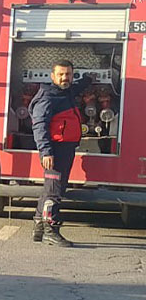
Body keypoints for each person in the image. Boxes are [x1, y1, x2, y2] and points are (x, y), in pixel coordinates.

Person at [29, 60, 92, 247]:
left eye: (69, 74)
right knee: (54, 192)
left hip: (65, 149)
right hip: (55, 151)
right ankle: (51, 229)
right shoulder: (48, 97)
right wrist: (46, 152)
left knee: (51, 188)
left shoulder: (65, 92)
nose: (65, 78)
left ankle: (39, 227)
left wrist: (88, 80)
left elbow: (75, 88)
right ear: (52, 76)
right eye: (61, 74)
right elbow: (39, 125)